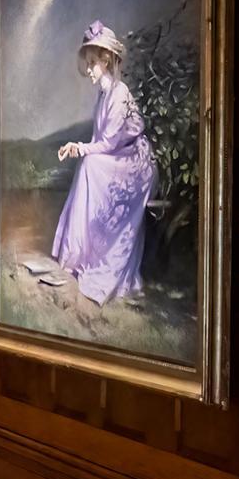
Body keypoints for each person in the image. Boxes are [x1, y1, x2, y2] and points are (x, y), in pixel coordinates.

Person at [51, 20, 155, 306]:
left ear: (107, 60)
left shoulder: (119, 93)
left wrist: (79, 148)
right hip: (117, 156)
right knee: (88, 165)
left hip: (135, 162)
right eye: (87, 63)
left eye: (93, 62)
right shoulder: (104, 95)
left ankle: (94, 255)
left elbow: (107, 144)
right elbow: (102, 141)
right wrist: (80, 148)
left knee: (90, 165)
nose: (88, 69)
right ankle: (80, 253)